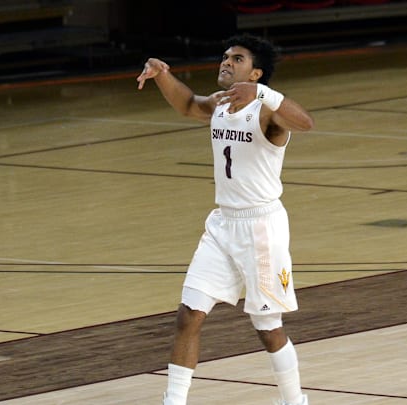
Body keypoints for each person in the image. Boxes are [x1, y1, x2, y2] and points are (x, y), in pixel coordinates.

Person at [137, 33, 314, 405]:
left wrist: (263, 94)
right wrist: (161, 74)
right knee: (189, 315)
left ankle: (295, 401)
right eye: (225, 56)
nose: (226, 62)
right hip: (222, 226)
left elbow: (306, 122)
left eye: (237, 59)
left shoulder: (266, 111)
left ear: (255, 74)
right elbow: (188, 104)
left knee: (268, 329)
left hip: (261, 228)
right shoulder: (220, 103)